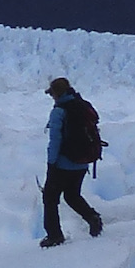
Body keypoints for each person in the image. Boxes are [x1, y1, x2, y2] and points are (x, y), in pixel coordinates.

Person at [40, 77, 105, 247]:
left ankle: (54, 236)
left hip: (63, 163)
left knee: (50, 197)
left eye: (52, 94)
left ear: (56, 94)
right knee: (72, 194)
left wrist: (51, 163)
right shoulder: (82, 105)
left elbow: (55, 140)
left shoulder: (59, 111)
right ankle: (92, 217)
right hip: (82, 161)